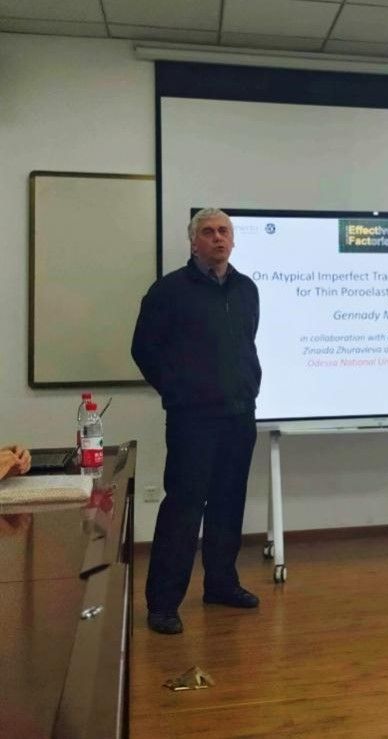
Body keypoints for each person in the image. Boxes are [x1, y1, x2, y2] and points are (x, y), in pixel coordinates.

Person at [132, 208, 262, 635]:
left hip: (239, 415)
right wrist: (178, 391)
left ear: (233, 240)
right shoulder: (169, 291)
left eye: (224, 231)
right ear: (193, 242)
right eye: (208, 232)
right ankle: (163, 604)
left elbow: (245, 344)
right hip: (193, 420)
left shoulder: (246, 289)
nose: (218, 238)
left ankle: (221, 584)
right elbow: (143, 349)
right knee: (183, 508)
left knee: (229, 503)